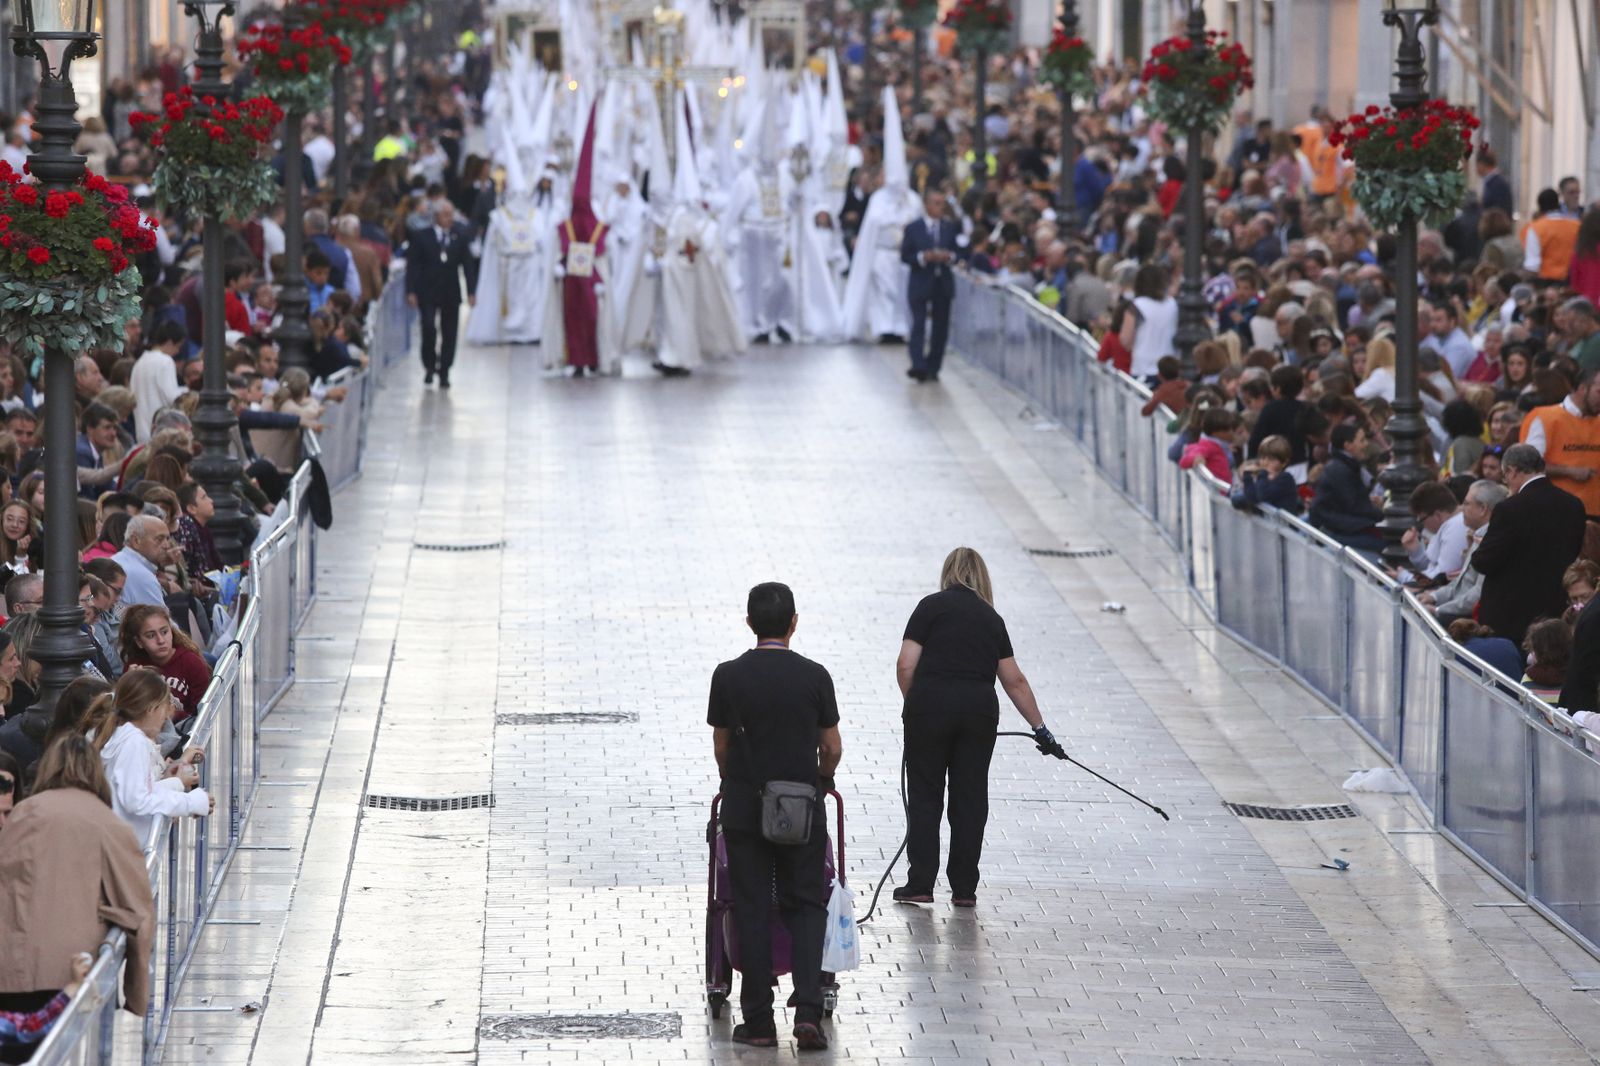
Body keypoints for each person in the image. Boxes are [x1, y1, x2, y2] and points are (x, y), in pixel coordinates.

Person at [706, 582, 841, 1052]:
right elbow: (831, 746)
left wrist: (734, 780)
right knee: (806, 905)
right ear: (793, 623)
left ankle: (759, 1021)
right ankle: (808, 1014)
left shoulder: (728, 676)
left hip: (745, 809)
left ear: (749, 623)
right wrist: (821, 779)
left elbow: (722, 745)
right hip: (801, 808)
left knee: (751, 906)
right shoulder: (815, 676)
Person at [894, 548, 1054, 909]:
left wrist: (915, 704)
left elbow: (905, 665)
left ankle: (920, 884)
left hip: (929, 709)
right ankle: (964, 888)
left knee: (925, 795)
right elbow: (1014, 681)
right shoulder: (991, 618)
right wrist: (1041, 729)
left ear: (947, 572)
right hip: (978, 714)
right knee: (970, 798)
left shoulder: (929, 608)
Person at [0, 735, 156, 1023]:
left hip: (11, 968)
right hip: (73, 972)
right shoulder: (108, 823)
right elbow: (139, 912)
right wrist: (136, 995)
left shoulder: (22, 812)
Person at [1472, 444, 1587, 646]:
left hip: (1509, 618)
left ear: (1512, 471)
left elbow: (1484, 562)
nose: (1506, 481)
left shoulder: (1509, 509)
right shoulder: (1573, 505)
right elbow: (1572, 552)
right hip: (1554, 614)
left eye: (1504, 476)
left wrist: (1481, 547)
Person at [87, 669, 210, 844]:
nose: (166, 717)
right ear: (152, 709)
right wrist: (189, 803)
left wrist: (185, 794)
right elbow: (136, 800)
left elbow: (139, 791)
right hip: (124, 846)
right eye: (165, 707)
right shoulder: (134, 742)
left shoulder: (124, 737)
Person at [405, 200, 475, 389]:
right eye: (445, 215)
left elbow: (467, 265)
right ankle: (429, 365)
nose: (449, 219)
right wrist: (410, 290)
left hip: (451, 291)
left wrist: (471, 291)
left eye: (451, 215)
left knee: (450, 332)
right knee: (428, 328)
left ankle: (445, 370)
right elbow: (413, 265)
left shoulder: (459, 236)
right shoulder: (422, 236)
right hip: (427, 290)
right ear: (436, 216)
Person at [1520, 362, 1600, 519]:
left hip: (1594, 512)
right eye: (1599, 392)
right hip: (1554, 511)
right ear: (1582, 389)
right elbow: (1527, 466)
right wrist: (1568, 471)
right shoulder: (1545, 418)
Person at [900, 189, 962, 383]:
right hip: (921, 281)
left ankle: (933, 366)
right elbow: (905, 255)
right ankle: (918, 364)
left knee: (940, 327)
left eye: (942, 203)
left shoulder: (950, 227)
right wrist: (922, 257)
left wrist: (949, 257)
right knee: (918, 324)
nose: (940, 207)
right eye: (936, 203)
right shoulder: (913, 228)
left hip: (942, 283)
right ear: (926, 205)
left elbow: (960, 251)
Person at [118, 603, 211, 721]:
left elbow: (202, 714)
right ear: (139, 642)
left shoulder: (191, 662)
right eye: (151, 636)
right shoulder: (135, 667)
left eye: (164, 632)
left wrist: (169, 714)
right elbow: (126, 713)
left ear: (171, 631)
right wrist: (130, 685)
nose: (161, 640)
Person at [1309, 423, 1385, 552]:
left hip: (1339, 527)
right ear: (1348, 445)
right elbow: (1356, 507)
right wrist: (1385, 514)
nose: (1366, 444)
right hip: (1335, 530)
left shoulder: (1345, 466)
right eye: (1362, 440)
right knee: (1387, 545)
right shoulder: (1340, 470)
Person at [130, 320, 187, 443]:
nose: (177, 352)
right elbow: (172, 397)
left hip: (141, 432)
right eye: (178, 346)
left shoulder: (139, 363)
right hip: (161, 432)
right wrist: (187, 391)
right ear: (170, 342)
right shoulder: (165, 361)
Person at [110, 514, 174, 608]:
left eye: (167, 539)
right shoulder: (141, 575)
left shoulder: (121, 559)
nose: (167, 546)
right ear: (136, 541)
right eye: (159, 539)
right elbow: (159, 616)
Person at [1231, 435, 1302, 514]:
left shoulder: (1286, 479)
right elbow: (1249, 498)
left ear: (1284, 462)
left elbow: (1261, 495)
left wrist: (1263, 473)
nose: (1265, 462)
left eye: (1271, 459)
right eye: (1263, 458)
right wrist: (1247, 476)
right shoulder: (1263, 478)